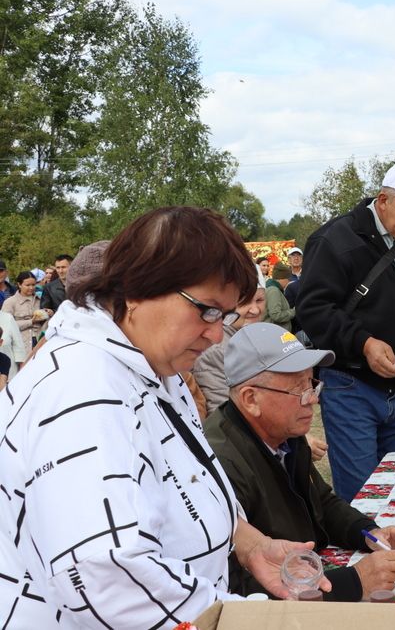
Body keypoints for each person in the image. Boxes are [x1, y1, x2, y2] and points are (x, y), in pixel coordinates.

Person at [0, 207, 330, 628]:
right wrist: (240, 620)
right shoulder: (83, 391)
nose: (216, 334)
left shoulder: (147, 362)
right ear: (137, 290)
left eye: (226, 316)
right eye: (207, 310)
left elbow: (183, 476)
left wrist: (246, 542)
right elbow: (106, 573)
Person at [205, 323, 395, 601]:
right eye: (298, 390)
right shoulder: (219, 463)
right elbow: (234, 587)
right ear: (250, 399)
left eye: (312, 384)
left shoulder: (284, 433)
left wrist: (367, 532)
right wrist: (353, 582)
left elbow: (321, 501)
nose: (313, 400)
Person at [297, 158, 395, 502]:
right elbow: (312, 310)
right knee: (363, 495)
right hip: (351, 386)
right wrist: (363, 343)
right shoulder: (334, 239)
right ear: (382, 200)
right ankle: (363, 554)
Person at [193, 264, 268, 413]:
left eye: (259, 300)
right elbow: (223, 415)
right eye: (244, 301)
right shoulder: (216, 350)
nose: (254, 310)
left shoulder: (256, 338)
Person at [1, 271, 47, 355]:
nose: (31, 288)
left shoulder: (41, 299)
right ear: (19, 285)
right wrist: (30, 322)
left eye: (33, 285)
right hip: (20, 345)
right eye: (27, 285)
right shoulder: (10, 302)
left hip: (40, 342)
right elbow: (5, 326)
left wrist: (49, 313)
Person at [264, 263, 295, 330]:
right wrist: (294, 311)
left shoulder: (273, 289)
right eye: (288, 279)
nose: (289, 282)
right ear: (282, 278)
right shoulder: (273, 290)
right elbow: (276, 315)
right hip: (275, 334)